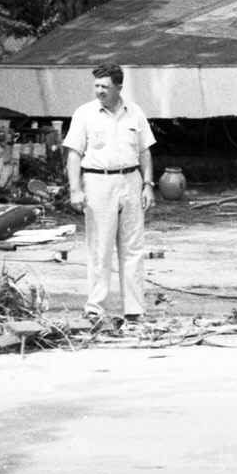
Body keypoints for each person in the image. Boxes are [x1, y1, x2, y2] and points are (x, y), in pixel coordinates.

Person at [63, 63, 156, 329]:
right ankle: (94, 310)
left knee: (133, 248)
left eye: (105, 86)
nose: (99, 91)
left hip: (130, 181)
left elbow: (145, 153)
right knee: (99, 249)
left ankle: (135, 311)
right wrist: (75, 190)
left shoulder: (134, 113)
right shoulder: (84, 114)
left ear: (119, 87)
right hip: (97, 182)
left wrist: (148, 185)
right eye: (96, 86)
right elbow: (73, 153)